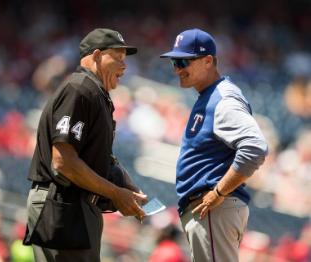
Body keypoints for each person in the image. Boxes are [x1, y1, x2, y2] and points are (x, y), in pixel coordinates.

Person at [23, 28, 147, 262]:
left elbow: (93, 155)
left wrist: (124, 184)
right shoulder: (79, 89)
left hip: (77, 205)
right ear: (97, 55)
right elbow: (63, 161)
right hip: (61, 203)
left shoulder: (96, 93)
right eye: (118, 57)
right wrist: (115, 193)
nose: (125, 65)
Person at [160, 28, 268, 262]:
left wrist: (219, 191)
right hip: (210, 210)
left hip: (214, 207)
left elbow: (255, 147)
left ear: (208, 60)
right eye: (174, 62)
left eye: (183, 61)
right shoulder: (209, 97)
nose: (177, 69)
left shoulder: (223, 98)